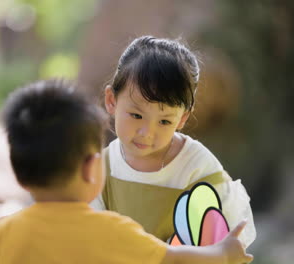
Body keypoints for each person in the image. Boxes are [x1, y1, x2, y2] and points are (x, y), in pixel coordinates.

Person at [0, 79, 253, 264]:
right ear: (91, 169)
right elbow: (174, 260)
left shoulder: (1, 236)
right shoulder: (114, 231)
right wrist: (224, 253)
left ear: (20, 176)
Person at [92, 36, 256, 246]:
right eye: (136, 115)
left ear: (182, 119)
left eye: (164, 121)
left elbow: (228, 236)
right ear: (111, 101)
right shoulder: (102, 167)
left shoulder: (196, 166)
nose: (147, 133)